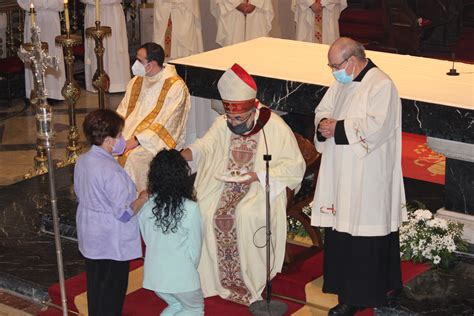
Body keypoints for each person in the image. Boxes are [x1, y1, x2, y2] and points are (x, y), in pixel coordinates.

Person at [181, 63, 305, 305]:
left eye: (238, 117)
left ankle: (250, 279)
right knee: (205, 211)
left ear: (252, 110)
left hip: (259, 186)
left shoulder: (273, 127)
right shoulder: (223, 124)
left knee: (246, 214)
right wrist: (186, 153)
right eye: (229, 116)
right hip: (223, 184)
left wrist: (257, 175)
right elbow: (207, 145)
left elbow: (294, 166)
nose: (233, 121)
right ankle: (212, 279)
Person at [311, 37, 406, 315]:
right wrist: (323, 125)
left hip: (368, 175)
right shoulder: (342, 81)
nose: (332, 71)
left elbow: (378, 126)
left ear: (352, 61)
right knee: (343, 231)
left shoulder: (381, 84)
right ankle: (345, 289)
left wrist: (337, 128)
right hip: (341, 172)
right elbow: (323, 111)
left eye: (335, 65)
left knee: (364, 234)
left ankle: (361, 295)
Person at [74, 109, 147, 316]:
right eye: (119, 136)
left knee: (96, 287)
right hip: (110, 240)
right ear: (108, 140)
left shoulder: (82, 161)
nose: (122, 139)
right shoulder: (112, 171)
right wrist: (141, 198)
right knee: (112, 292)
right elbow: (123, 213)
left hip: (90, 233)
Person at [116, 42, 191, 192]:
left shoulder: (175, 86)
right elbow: (123, 109)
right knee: (106, 148)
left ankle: (137, 203)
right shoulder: (137, 80)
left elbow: (167, 123)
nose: (135, 64)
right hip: (127, 131)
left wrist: (137, 140)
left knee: (132, 159)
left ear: (151, 65)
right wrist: (114, 131)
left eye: (140, 61)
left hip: (153, 141)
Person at [139, 149, 204, 315]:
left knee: (176, 306)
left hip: (155, 277)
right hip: (182, 277)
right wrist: (189, 271)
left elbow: (147, 241)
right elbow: (195, 250)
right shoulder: (191, 209)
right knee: (195, 309)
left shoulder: (146, 207)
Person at [18, 0, 66, 101]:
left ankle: (54, 92)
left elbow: (61, 2)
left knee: (52, 51)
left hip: (52, 17)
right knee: (34, 54)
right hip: (34, 17)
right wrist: (43, 4)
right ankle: (35, 91)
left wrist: (46, 4)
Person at [82, 0, 130, 93]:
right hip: (93, 11)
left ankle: (117, 83)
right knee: (94, 46)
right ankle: (97, 82)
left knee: (113, 47)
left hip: (112, 11)